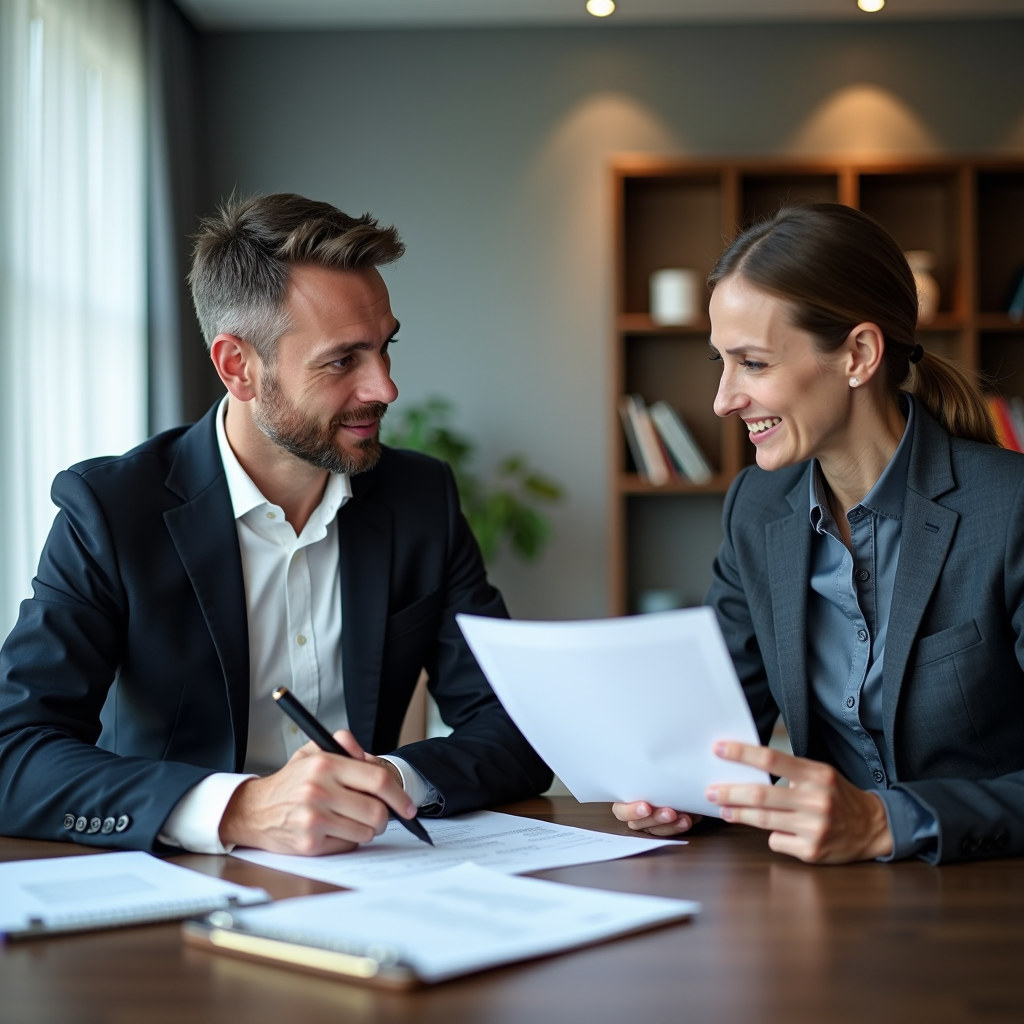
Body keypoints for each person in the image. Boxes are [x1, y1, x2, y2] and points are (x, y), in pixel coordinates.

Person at [0, 193, 551, 856]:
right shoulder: (111, 511)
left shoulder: (420, 497)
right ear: (238, 367)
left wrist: (386, 781)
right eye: (343, 360)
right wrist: (238, 810)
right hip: (178, 896)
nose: (384, 388)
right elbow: (14, 753)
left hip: (374, 878)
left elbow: (513, 730)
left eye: (385, 348)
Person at [615, 203, 1024, 864]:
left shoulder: (1010, 508)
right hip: (823, 901)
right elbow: (719, 725)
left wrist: (890, 820)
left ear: (858, 354)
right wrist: (678, 788)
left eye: (752, 363)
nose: (722, 400)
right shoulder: (756, 507)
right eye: (721, 362)